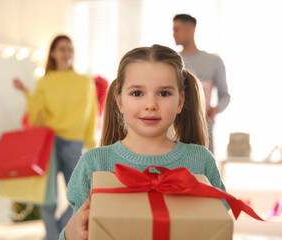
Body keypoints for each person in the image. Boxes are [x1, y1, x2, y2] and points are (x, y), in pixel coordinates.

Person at [60, 44, 227, 240]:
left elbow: (218, 226)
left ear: (180, 101)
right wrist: (69, 234)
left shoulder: (200, 161)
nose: (151, 105)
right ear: (120, 101)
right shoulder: (93, 164)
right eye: (137, 93)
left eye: (164, 93)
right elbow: (80, 230)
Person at [13, 35, 98, 240]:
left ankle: (57, 234)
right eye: (62, 49)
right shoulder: (45, 82)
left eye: (70, 49)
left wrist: (91, 144)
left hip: (74, 143)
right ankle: (54, 236)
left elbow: (91, 113)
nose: (67, 53)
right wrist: (26, 93)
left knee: (80, 195)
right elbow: (36, 117)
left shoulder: (84, 82)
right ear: (52, 53)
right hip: (49, 142)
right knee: (48, 197)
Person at [173, 14, 231, 153]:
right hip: (173, 129)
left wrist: (215, 110)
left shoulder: (213, 61)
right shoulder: (172, 61)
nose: (173, 34)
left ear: (191, 29)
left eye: (177, 29)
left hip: (204, 131)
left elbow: (225, 96)